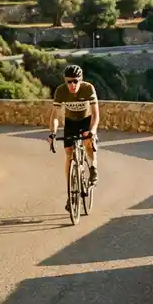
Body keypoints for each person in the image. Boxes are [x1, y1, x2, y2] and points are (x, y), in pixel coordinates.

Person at [48, 64, 99, 212]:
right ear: (65, 81)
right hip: (70, 122)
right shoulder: (61, 91)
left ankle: (93, 168)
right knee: (69, 154)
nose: (72, 85)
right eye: (69, 81)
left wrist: (93, 131)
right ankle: (71, 192)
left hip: (86, 121)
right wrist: (52, 133)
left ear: (81, 80)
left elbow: (96, 114)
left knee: (88, 142)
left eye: (76, 81)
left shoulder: (88, 88)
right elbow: (55, 116)